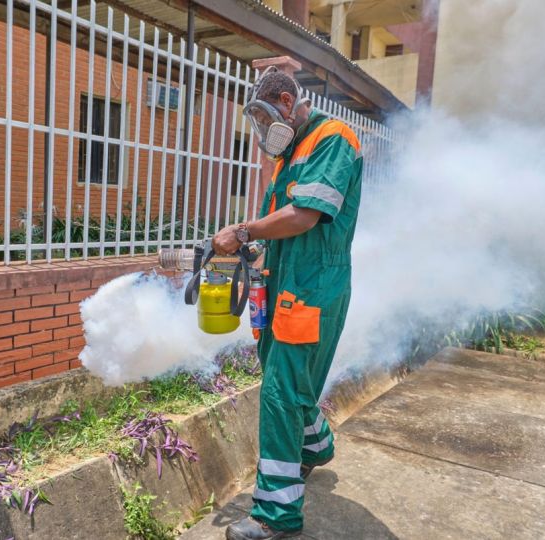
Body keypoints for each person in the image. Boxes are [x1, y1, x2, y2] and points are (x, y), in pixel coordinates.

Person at [211, 68, 363, 540]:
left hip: (314, 286)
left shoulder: (333, 138)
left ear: (285, 100)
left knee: (280, 393)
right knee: (287, 380)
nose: (261, 132)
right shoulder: (291, 154)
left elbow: (303, 216)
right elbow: (281, 225)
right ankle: (315, 446)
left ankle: (276, 516)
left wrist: (243, 232)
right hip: (288, 283)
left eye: (263, 118)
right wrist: (256, 247)